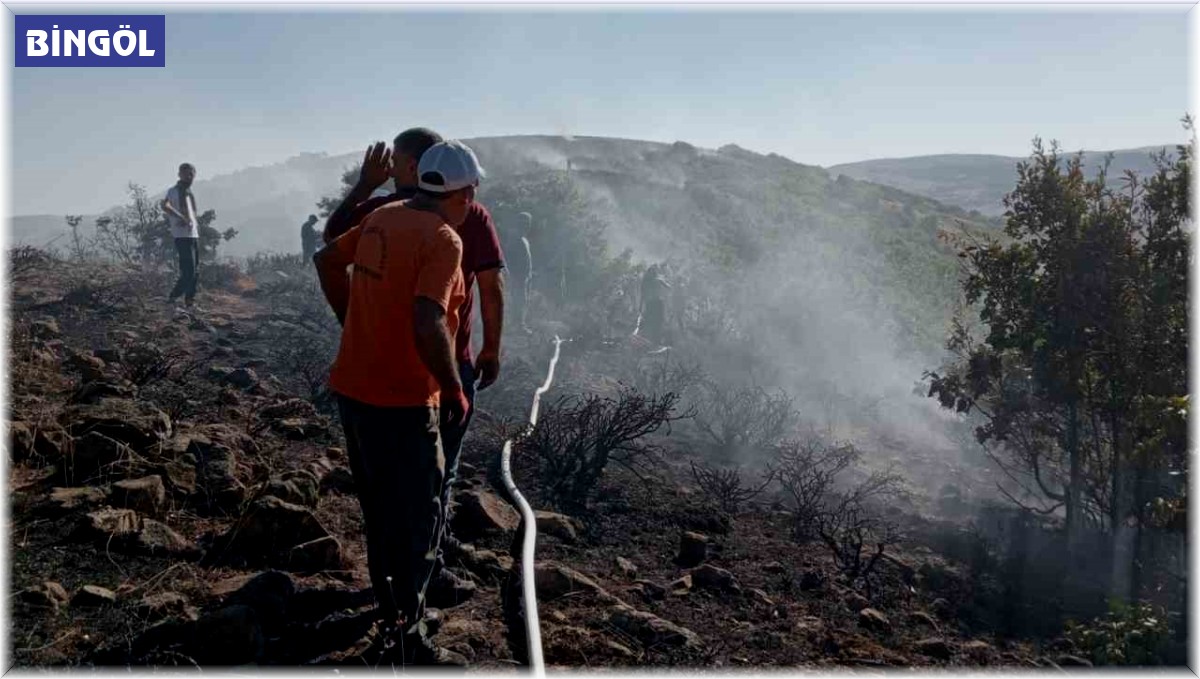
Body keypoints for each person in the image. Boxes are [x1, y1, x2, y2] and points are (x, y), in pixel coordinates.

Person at [313, 139, 483, 665]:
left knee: (379, 507)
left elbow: (325, 260)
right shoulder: (444, 238)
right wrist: (452, 385)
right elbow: (429, 318)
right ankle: (408, 639)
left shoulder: (384, 216)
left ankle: (390, 609)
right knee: (418, 515)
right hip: (407, 401)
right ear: (464, 192)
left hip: (354, 389)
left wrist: (352, 325)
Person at [161, 163, 200, 307]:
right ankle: (173, 297)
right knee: (188, 271)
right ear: (179, 175)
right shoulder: (174, 191)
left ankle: (190, 301)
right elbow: (165, 206)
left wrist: (191, 220)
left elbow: (193, 213)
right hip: (182, 236)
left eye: (191, 174)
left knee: (195, 271)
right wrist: (181, 218)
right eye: (185, 174)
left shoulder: (189, 192)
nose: (188, 177)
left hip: (193, 234)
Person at [638, 263, 671, 345]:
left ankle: (652, 340)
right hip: (657, 303)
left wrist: (641, 305)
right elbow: (669, 287)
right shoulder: (658, 280)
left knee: (652, 322)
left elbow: (643, 295)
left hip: (651, 303)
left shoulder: (646, 282)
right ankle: (655, 340)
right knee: (657, 322)